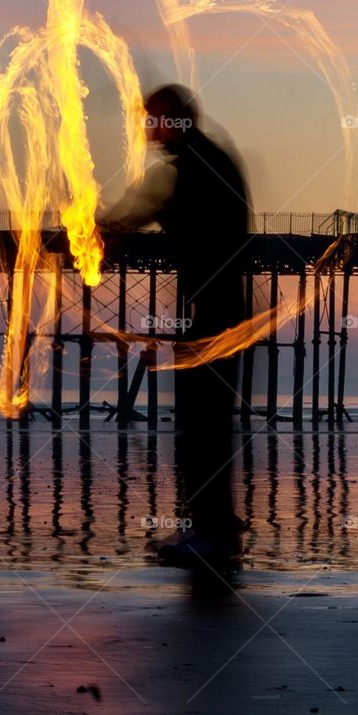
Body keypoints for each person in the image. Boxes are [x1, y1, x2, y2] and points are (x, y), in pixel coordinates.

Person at [102, 84, 251, 567]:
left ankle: (212, 534)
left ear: (174, 120)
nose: (147, 128)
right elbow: (148, 207)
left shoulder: (192, 170)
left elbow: (142, 208)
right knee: (205, 423)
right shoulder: (210, 161)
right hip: (218, 308)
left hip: (212, 314)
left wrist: (94, 233)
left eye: (154, 118)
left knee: (200, 423)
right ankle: (213, 528)